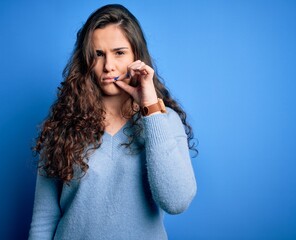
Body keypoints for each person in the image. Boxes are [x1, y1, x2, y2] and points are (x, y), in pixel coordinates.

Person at [28, 4, 197, 240]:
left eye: (119, 53)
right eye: (98, 54)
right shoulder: (63, 125)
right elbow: (44, 218)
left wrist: (150, 109)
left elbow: (176, 201)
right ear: (86, 59)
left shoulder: (164, 121)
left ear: (137, 57)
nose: (108, 66)